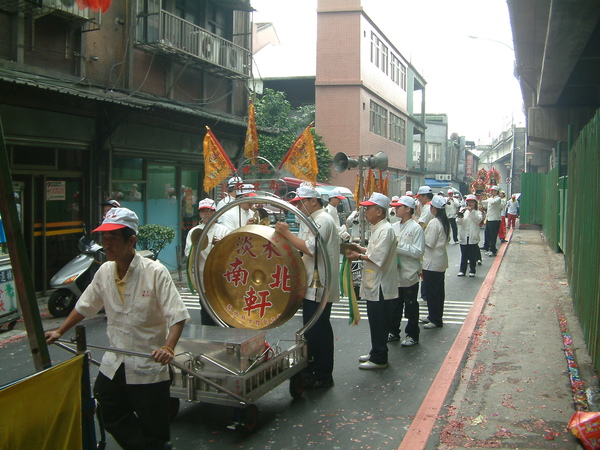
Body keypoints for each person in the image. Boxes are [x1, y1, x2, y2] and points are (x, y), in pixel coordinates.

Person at [45, 207, 190, 449]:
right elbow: (86, 305)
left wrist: (168, 347)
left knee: (154, 429)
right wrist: (60, 330)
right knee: (108, 409)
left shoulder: (155, 272)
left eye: (112, 239)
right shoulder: (104, 271)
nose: (107, 245)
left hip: (148, 362)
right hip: (116, 359)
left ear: (131, 240)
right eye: (104, 239)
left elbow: (177, 315)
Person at [275, 183, 340, 388]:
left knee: (318, 330)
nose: (299, 207)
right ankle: (314, 368)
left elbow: (310, 249)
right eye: (296, 203)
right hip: (312, 285)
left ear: (314, 201)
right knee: (312, 330)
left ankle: (322, 373)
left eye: (301, 202)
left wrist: (286, 233)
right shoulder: (313, 219)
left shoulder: (322, 219)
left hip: (319, 287)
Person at [346, 193, 398, 370]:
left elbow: (378, 258)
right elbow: (373, 251)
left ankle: (380, 357)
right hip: (374, 283)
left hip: (381, 285)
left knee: (379, 321)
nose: (365, 211)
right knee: (375, 321)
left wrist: (358, 255)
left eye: (368, 208)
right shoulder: (378, 228)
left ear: (379, 211)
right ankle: (376, 351)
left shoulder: (385, 230)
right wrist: (360, 249)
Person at [185, 199, 229, 325]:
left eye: (209, 211)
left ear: (215, 213)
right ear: (199, 214)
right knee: (206, 310)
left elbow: (229, 252)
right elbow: (189, 254)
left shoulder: (222, 230)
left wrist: (219, 244)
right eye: (203, 211)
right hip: (202, 275)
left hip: (219, 275)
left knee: (221, 308)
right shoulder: (194, 231)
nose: (206, 214)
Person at [388, 196, 425, 347]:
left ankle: (412, 334)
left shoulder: (416, 228)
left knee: (410, 305)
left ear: (408, 209)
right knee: (394, 305)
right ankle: (393, 331)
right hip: (395, 273)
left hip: (409, 273)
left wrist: (399, 246)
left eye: (399, 207)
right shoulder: (394, 227)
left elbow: (418, 252)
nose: (395, 209)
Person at [421, 195, 450, 329]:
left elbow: (429, 243)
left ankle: (435, 318)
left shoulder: (434, 223)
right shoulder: (444, 221)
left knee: (432, 292)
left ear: (434, 209)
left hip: (432, 262)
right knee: (438, 291)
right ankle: (434, 315)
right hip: (439, 260)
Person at [456, 194, 483, 277]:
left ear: (475, 203)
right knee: (464, 254)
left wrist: (471, 211)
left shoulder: (478, 212)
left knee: (472, 255)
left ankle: (472, 270)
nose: (470, 203)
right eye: (468, 201)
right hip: (464, 236)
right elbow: (458, 222)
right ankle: (462, 270)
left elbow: (478, 220)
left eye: (472, 201)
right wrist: (460, 215)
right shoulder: (463, 210)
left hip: (473, 236)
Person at [480, 186, 503, 257]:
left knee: (493, 236)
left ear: (496, 192)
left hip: (495, 219)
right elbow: (483, 203)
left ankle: (493, 250)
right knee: (487, 233)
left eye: (493, 191)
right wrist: (480, 199)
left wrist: (487, 198)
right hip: (489, 219)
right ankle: (487, 246)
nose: (491, 192)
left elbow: (492, 202)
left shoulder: (498, 199)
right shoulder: (490, 199)